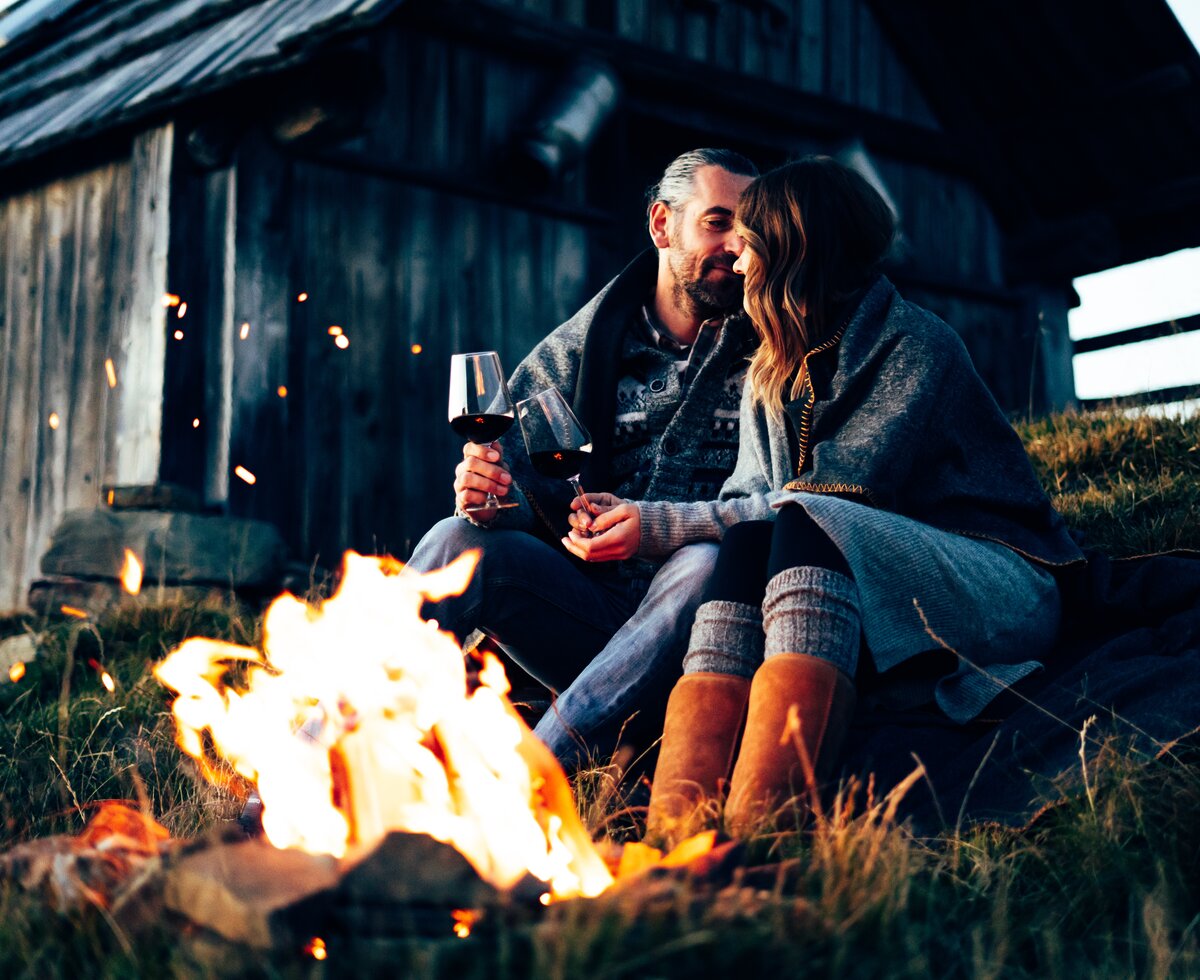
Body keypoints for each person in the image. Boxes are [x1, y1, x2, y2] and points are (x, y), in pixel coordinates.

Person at [561, 156, 1085, 843]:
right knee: (749, 543)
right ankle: (675, 837)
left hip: (993, 579)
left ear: (792, 249)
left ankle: (763, 833)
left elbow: (836, 495)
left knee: (807, 518)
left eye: (749, 242)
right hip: (868, 574)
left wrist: (658, 524)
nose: (738, 261)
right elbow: (751, 499)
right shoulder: (770, 368)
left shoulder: (913, 346)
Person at [406, 148, 759, 767]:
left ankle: (537, 776)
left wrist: (655, 531)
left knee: (703, 563)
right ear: (661, 226)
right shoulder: (574, 353)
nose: (735, 244)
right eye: (717, 221)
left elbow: (793, 494)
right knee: (451, 540)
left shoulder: (775, 348)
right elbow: (525, 504)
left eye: (748, 229)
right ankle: (302, 772)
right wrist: (492, 500)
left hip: (711, 638)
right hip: (592, 618)